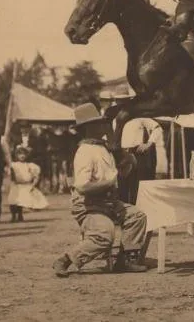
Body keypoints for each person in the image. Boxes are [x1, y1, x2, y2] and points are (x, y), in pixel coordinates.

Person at [52, 103, 148, 277]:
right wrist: (110, 182)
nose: (104, 126)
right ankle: (66, 259)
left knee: (136, 216)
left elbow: (122, 173)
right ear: (89, 128)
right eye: (99, 123)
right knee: (104, 234)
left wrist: (127, 160)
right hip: (88, 205)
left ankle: (124, 260)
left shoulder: (103, 147)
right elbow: (82, 186)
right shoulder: (85, 151)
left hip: (108, 201)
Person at [119, 116, 162, 204]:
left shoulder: (138, 116)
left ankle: (138, 212)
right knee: (122, 188)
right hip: (121, 155)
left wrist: (148, 143)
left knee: (137, 188)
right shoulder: (115, 118)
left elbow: (157, 128)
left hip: (137, 154)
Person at [8, 145, 48, 221]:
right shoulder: (14, 165)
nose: (22, 156)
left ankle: (20, 215)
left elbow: (36, 176)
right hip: (16, 185)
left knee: (21, 201)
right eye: (20, 154)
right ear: (16, 155)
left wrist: (33, 184)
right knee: (12, 200)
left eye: (24, 154)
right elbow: (11, 175)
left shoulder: (30, 165)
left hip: (25, 185)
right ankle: (13, 216)